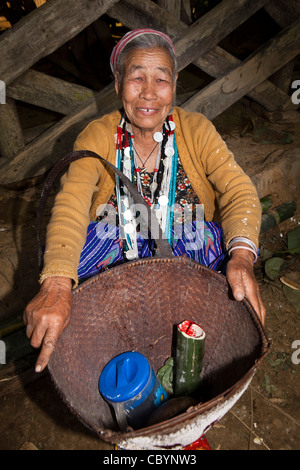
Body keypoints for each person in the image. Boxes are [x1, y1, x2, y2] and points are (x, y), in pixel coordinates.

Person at [24, 29, 266, 373]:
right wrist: (57, 283)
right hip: (119, 249)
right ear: (119, 81)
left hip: (186, 247)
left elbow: (238, 189)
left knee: (217, 256)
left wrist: (241, 257)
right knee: (92, 245)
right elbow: (71, 204)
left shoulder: (196, 129)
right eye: (137, 77)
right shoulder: (96, 135)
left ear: (175, 82)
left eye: (161, 79)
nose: (149, 93)